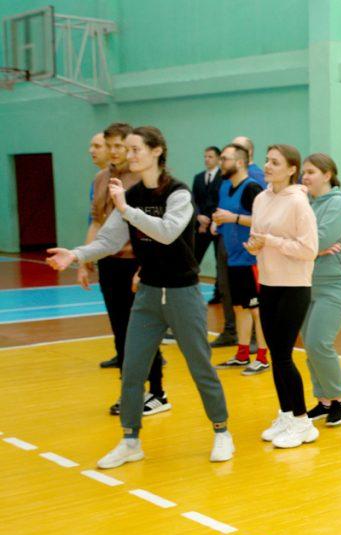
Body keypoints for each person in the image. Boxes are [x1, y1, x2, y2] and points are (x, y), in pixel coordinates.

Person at [47, 126, 234, 468]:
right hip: (147, 293)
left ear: (157, 151)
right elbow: (109, 240)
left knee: (200, 366)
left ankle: (222, 431)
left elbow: (166, 232)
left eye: (135, 149)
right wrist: (76, 255)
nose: (128, 155)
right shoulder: (131, 196)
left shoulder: (178, 193)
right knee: (132, 370)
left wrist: (126, 209)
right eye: (127, 149)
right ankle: (130, 440)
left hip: (182, 293)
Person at [87, 122, 168, 416]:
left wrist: (145, 267)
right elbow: (97, 221)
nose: (113, 151)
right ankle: (129, 392)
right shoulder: (101, 178)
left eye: (119, 146)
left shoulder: (144, 181)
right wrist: (85, 259)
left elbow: (154, 231)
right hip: (110, 263)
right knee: (120, 331)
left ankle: (157, 391)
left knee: (144, 330)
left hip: (137, 262)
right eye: (108, 146)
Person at [245, 144, 319, 447]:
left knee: (284, 356)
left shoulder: (299, 203)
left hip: (294, 286)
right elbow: (259, 238)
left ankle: (303, 422)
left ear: (291, 169)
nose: (268, 166)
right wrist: (255, 245)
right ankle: (287, 414)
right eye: (267, 160)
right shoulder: (261, 199)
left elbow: (309, 250)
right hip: (269, 283)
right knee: (275, 355)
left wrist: (271, 241)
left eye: (275, 162)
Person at [278, 152, 341, 440]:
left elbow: (318, 240)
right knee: (309, 345)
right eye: (304, 172)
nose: (305, 177)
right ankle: (324, 401)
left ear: (327, 174)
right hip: (307, 283)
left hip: (336, 284)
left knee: (318, 342)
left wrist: (310, 247)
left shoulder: (338, 204)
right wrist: (310, 247)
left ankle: (340, 399)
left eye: (311, 172)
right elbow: (292, 236)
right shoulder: (305, 203)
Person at [211, 144, 269, 376]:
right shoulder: (225, 186)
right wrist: (218, 222)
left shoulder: (252, 188)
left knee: (257, 309)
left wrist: (233, 218)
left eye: (225, 159)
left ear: (240, 162)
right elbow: (225, 215)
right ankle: (242, 353)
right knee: (239, 308)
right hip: (233, 258)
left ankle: (263, 357)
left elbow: (262, 222)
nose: (221, 163)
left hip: (251, 260)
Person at [82, 132, 120, 367]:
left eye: (97, 146)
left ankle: (150, 357)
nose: (91, 150)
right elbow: (95, 220)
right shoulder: (98, 180)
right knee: (115, 310)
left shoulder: (129, 180)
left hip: (126, 255)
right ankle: (122, 352)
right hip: (106, 254)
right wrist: (87, 254)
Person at [191, 146, 222, 269]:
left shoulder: (224, 178)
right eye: (205, 157)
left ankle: (219, 282)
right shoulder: (198, 178)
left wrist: (209, 218)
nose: (207, 159)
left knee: (220, 261)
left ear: (218, 159)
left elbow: (221, 201)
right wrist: (198, 216)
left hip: (218, 224)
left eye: (210, 157)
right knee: (194, 258)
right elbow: (193, 200)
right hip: (200, 225)